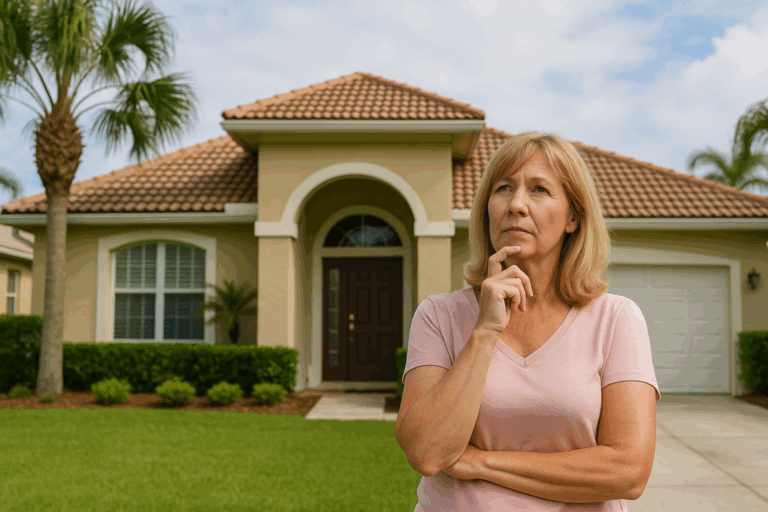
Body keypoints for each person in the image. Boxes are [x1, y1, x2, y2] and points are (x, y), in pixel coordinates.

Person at [395, 131, 660, 511]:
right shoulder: (439, 315)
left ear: (573, 217)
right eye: (504, 188)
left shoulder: (617, 319)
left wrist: (477, 461)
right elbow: (426, 452)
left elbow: (628, 471)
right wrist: (484, 332)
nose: (516, 204)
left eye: (539, 190)